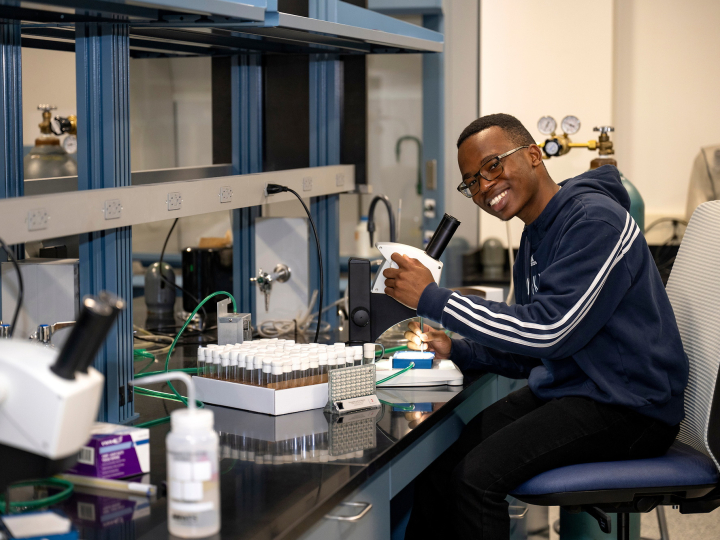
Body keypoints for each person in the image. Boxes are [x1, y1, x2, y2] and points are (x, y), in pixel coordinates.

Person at [382, 113, 688, 540]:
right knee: (444, 463)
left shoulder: (594, 222)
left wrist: (434, 298)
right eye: (472, 182)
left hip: (631, 407)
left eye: (492, 166)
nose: (484, 187)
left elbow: (549, 331)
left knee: (477, 479)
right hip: (577, 389)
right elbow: (532, 343)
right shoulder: (535, 235)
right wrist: (459, 349)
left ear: (532, 154)